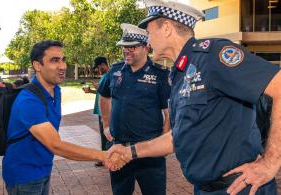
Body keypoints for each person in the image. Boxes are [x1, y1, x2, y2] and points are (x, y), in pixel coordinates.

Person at [108, 1, 281, 195]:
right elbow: (180, 135)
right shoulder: (179, 73)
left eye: (149, 32)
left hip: (239, 188)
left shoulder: (212, 55)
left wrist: (270, 163)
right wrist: (130, 152)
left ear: (166, 29)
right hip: (205, 189)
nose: (147, 42)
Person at [2, 40, 124, 195]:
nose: (62, 66)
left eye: (63, 59)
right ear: (37, 66)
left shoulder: (56, 91)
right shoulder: (28, 101)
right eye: (54, 60)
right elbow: (56, 145)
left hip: (43, 167)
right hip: (24, 174)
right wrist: (104, 155)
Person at [98, 23, 171, 195]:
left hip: (149, 151)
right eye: (124, 46)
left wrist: (164, 142)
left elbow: (168, 112)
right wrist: (106, 125)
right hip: (118, 148)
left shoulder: (160, 75)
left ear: (146, 47)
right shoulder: (115, 71)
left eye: (132, 47)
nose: (127, 51)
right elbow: (104, 96)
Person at [82, 56, 110, 167]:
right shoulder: (104, 76)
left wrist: (97, 87)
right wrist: (91, 91)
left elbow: (110, 92)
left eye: (98, 67)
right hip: (100, 111)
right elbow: (103, 92)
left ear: (103, 64)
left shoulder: (110, 76)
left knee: (106, 135)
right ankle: (104, 157)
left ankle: (106, 158)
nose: (98, 70)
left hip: (106, 112)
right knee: (104, 135)